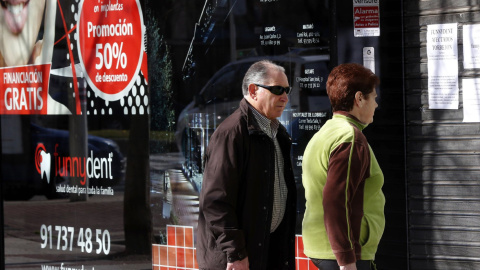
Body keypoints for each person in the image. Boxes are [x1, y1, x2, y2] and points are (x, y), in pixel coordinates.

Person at [196, 60, 297, 270]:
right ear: (253, 91)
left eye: (287, 89)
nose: (285, 97)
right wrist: (236, 253)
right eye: (278, 89)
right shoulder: (231, 134)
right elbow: (215, 202)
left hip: (266, 252)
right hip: (237, 260)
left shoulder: (277, 133)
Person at [301, 63, 385, 270]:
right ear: (359, 99)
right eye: (373, 97)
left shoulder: (325, 132)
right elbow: (336, 202)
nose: (376, 104)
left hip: (329, 250)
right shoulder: (350, 138)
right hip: (344, 254)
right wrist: (347, 261)